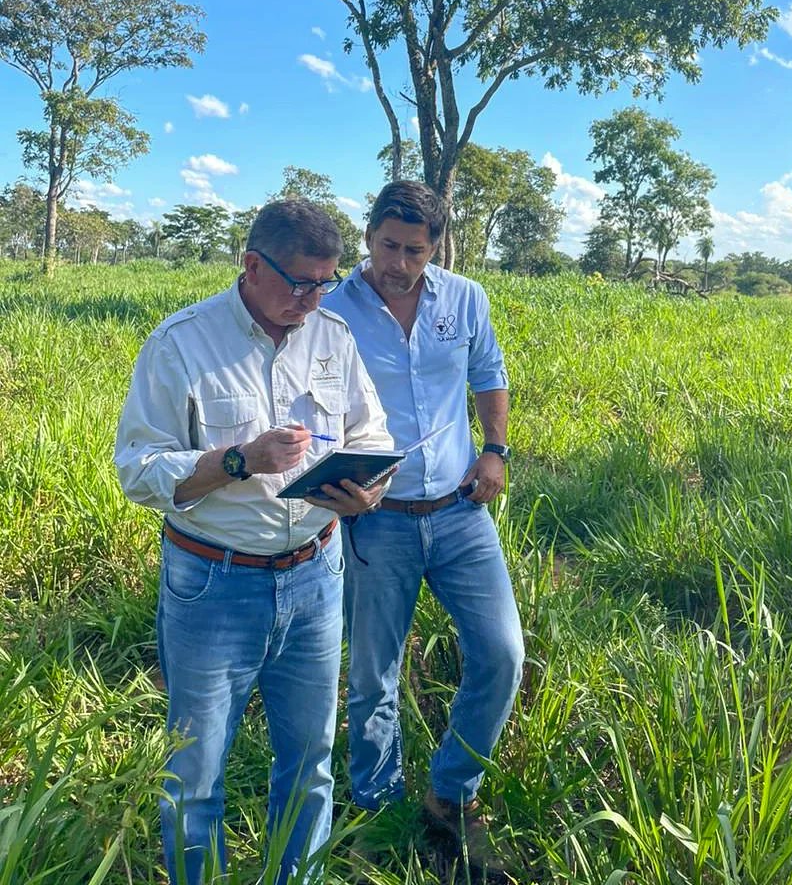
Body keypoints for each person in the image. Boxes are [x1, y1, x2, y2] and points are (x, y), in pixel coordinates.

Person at [115, 200, 393, 885]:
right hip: (215, 583)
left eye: (325, 282)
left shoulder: (332, 336)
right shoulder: (182, 343)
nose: (311, 298)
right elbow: (138, 470)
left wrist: (368, 491)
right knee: (196, 772)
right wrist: (236, 460)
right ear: (251, 265)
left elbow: (371, 436)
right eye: (299, 281)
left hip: (316, 576)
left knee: (309, 762)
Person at [323, 180, 524, 864]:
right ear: (368, 234)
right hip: (377, 519)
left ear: (436, 247)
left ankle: (452, 793)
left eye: (414, 250)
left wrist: (493, 450)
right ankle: (377, 809)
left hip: (462, 512)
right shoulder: (332, 309)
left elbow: (488, 373)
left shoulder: (465, 298)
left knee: (501, 654)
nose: (398, 263)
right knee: (374, 674)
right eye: (387, 245)